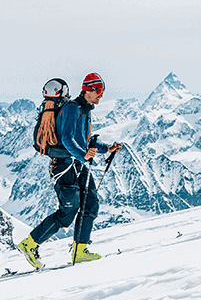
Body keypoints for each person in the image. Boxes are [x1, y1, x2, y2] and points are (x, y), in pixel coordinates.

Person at [17, 73, 122, 269]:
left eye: (102, 91)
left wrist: (107, 148)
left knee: (91, 204)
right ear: (87, 90)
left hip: (77, 164)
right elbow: (67, 139)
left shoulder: (84, 109)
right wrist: (83, 155)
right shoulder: (73, 108)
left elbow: (84, 141)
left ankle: (80, 251)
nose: (101, 95)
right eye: (98, 91)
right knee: (68, 212)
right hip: (64, 166)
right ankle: (29, 244)